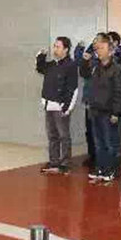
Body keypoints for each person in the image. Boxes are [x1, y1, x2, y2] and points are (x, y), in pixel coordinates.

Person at [79, 37, 121, 184]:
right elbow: (84, 74)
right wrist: (85, 61)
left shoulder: (117, 69)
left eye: (102, 48)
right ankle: (100, 169)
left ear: (110, 51)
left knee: (110, 143)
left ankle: (110, 170)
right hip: (95, 110)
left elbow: (119, 92)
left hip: (109, 112)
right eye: (97, 48)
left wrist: (116, 112)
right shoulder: (95, 66)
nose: (98, 51)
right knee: (98, 143)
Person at [36, 37, 79, 174]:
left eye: (58, 47)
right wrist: (41, 57)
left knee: (64, 136)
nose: (55, 49)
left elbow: (73, 88)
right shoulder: (52, 65)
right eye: (54, 46)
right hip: (49, 105)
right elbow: (40, 68)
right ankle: (54, 161)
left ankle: (65, 163)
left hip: (61, 106)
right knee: (52, 135)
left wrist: (67, 107)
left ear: (66, 49)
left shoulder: (71, 65)